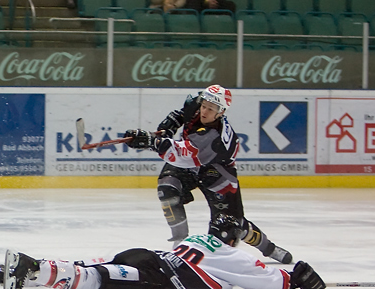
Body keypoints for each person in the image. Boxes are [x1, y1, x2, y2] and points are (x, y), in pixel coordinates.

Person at [122, 85, 294, 262]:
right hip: (190, 163)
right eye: (204, 106)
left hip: (217, 172)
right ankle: (180, 243)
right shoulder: (196, 104)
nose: (204, 111)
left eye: (211, 109)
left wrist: (152, 142)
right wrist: (171, 125)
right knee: (167, 188)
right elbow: (182, 114)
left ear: (221, 112)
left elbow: (183, 154)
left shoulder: (216, 138)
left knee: (230, 226)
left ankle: (269, 248)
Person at [0, 215, 325, 289]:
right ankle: (33, 267)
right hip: (159, 275)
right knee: (96, 282)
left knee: (85, 268)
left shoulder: (201, 239)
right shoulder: (233, 256)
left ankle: (0, 272)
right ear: (233, 238)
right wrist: (299, 278)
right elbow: (268, 281)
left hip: (145, 254)